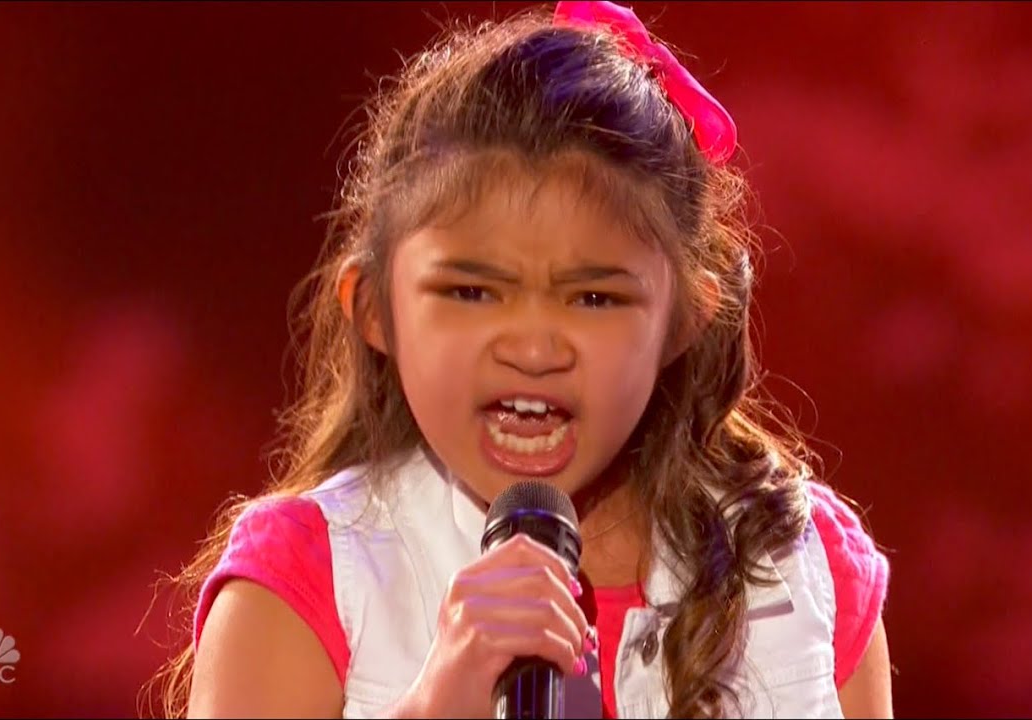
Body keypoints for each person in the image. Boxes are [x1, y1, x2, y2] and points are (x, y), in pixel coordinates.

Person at [152, 2, 893, 717]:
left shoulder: (805, 570)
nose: (534, 350)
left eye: (594, 298)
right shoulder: (303, 582)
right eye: (472, 291)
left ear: (686, 321)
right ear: (375, 309)